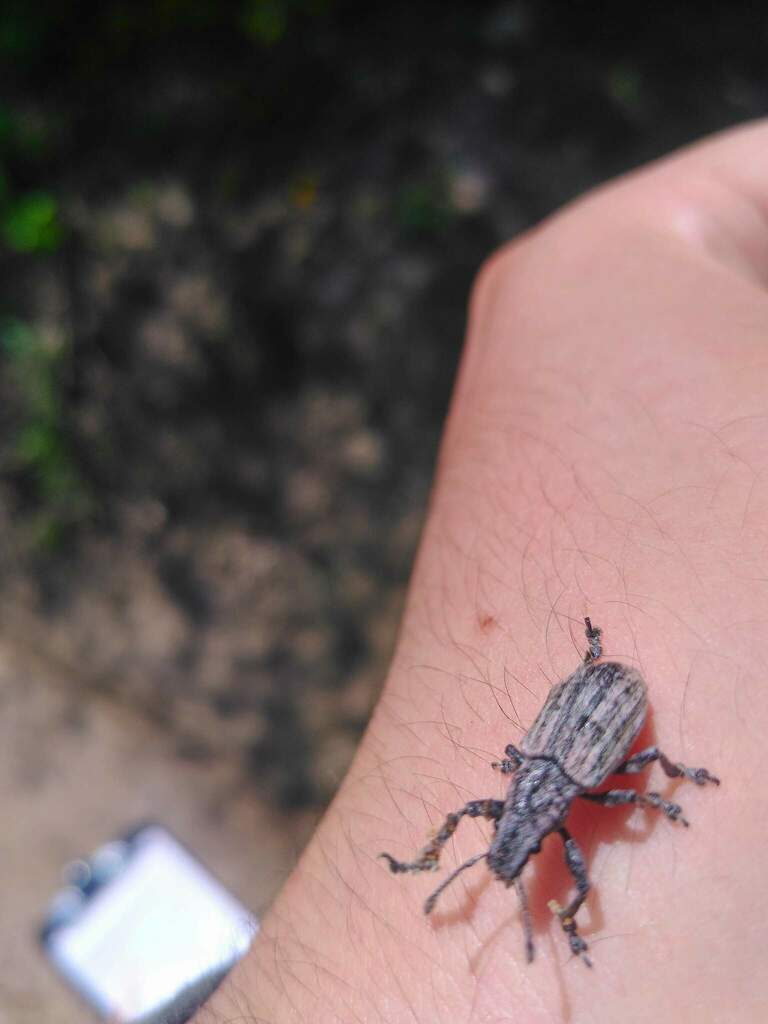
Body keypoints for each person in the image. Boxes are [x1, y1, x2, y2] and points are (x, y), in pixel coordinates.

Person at [195, 120, 768, 1023]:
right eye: (519, 838)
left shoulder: (554, 788)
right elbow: (542, 803)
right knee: (584, 791)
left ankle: (647, 800)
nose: (520, 844)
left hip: (595, 717)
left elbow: (631, 756)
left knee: (649, 765)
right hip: (582, 729)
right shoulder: (538, 795)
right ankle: (443, 875)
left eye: (519, 836)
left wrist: (665, 777)